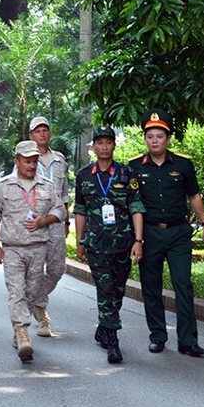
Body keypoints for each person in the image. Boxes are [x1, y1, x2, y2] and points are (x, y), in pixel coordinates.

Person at [128, 109, 204, 358]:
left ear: (168, 139)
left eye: (159, 136)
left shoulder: (183, 164)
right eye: (150, 136)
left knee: (183, 284)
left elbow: (194, 196)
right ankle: (157, 336)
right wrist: (137, 239)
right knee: (150, 286)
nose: (154, 141)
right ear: (145, 139)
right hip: (150, 233)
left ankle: (188, 340)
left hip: (178, 233)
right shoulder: (135, 167)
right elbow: (133, 205)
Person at [0, 141, 66, 362]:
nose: (31, 166)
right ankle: (22, 331)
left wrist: (44, 221)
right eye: (27, 161)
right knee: (17, 291)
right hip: (13, 249)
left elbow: (60, 210)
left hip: (38, 247)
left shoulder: (47, 186)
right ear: (17, 161)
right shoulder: (4, 186)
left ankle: (19, 329)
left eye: (34, 161)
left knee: (32, 291)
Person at [74, 126, 144, 364]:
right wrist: (79, 241)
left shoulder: (127, 173)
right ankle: (113, 342)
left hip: (123, 242)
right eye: (100, 143)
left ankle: (103, 327)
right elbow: (80, 210)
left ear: (114, 145)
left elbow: (136, 207)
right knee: (105, 291)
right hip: (96, 243)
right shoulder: (84, 175)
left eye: (109, 142)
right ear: (93, 147)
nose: (104, 147)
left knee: (118, 291)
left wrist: (138, 240)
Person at [28, 116, 70, 337]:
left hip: (55, 220)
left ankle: (35, 300)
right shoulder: (27, 159)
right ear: (31, 136)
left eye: (45, 130)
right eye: (37, 131)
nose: (42, 134)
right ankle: (41, 312)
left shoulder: (60, 160)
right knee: (34, 270)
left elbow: (64, 193)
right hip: (33, 220)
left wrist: (66, 220)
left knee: (56, 269)